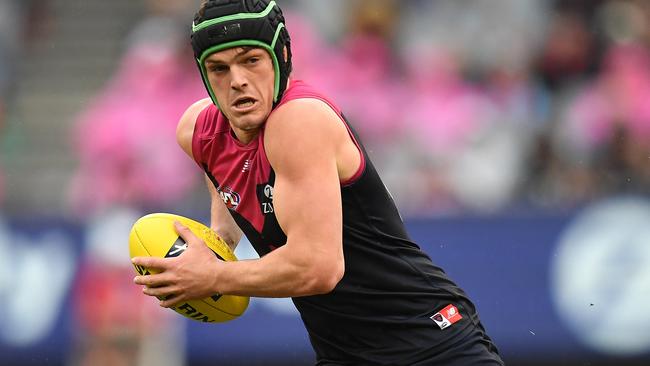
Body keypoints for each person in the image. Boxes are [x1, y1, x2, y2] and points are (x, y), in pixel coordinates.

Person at [132, 1, 504, 365]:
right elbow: (226, 182)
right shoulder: (198, 132)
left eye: (251, 60)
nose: (238, 80)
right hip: (344, 354)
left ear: (281, 58)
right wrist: (219, 242)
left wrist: (214, 275)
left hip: (430, 343)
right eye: (219, 68)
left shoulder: (299, 119)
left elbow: (318, 268)